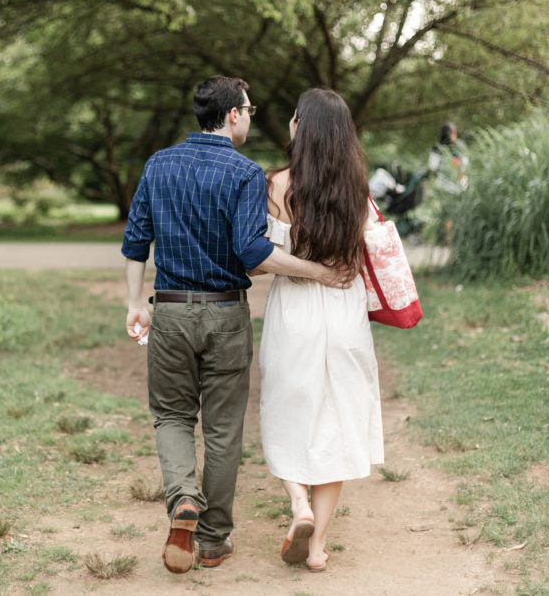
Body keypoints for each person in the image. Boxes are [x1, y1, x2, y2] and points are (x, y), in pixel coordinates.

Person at [122, 76, 354, 575]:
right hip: (227, 312)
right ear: (232, 115)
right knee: (224, 430)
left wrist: (133, 301)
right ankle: (213, 538)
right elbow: (253, 250)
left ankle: (183, 497)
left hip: (171, 309)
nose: (251, 117)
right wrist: (317, 272)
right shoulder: (246, 174)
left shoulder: (158, 164)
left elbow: (136, 239)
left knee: (172, 416)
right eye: (248, 109)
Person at [259, 88, 384, 572]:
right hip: (344, 309)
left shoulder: (276, 186)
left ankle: (298, 504)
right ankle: (316, 549)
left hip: (296, 310)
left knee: (286, 408)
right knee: (336, 419)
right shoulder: (357, 190)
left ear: (301, 128)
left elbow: (262, 259)